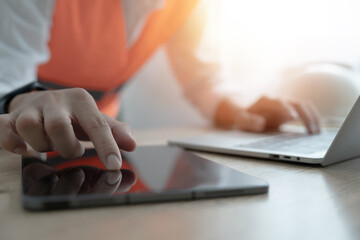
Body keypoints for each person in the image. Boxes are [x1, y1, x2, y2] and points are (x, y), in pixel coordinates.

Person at [0, 0, 320, 170]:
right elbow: (7, 75)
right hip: (17, 142)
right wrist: (20, 101)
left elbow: (202, 75)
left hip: (99, 145)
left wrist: (237, 108)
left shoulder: (192, 4)